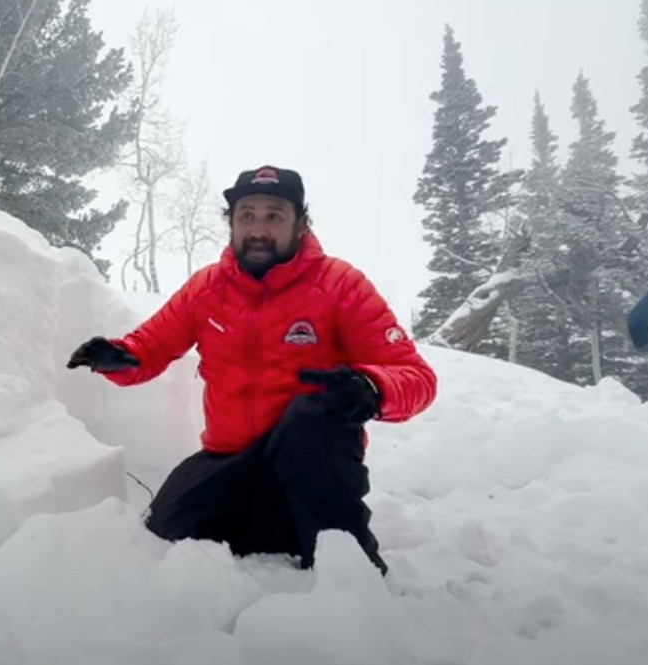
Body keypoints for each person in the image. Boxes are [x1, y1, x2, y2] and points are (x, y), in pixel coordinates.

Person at [67, 165, 437, 575]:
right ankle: (281, 526)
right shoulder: (206, 288)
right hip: (231, 455)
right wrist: (119, 357)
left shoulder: (340, 285)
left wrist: (371, 387)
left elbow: (415, 376)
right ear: (232, 223)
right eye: (247, 215)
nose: (258, 229)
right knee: (165, 525)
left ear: (300, 223)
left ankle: (346, 562)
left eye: (274, 215)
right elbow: (151, 345)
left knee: (313, 412)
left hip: (311, 452)